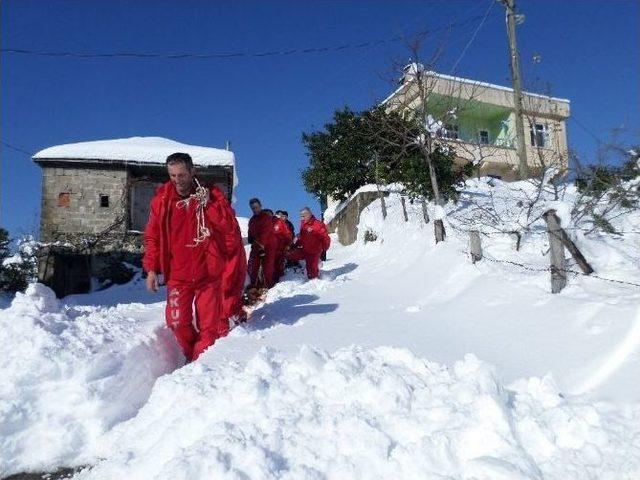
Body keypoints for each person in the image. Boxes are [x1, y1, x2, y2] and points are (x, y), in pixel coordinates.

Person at [143, 152, 246, 362]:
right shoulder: (162, 202)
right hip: (178, 275)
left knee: (210, 327)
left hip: (208, 273)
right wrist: (152, 269)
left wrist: (209, 205)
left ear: (192, 172)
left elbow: (229, 228)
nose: (177, 180)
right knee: (177, 323)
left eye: (181, 175)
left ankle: (200, 364)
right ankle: (192, 357)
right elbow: (152, 236)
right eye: (172, 175)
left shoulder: (213, 196)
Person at [286, 207, 331, 280]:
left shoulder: (317, 224)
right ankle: (294, 269)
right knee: (289, 254)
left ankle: (314, 283)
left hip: (314, 251)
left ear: (309, 214)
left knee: (312, 272)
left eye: (303, 216)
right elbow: (302, 237)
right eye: (301, 216)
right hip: (304, 249)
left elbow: (325, 237)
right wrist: (295, 245)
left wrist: (325, 248)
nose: (302, 218)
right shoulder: (303, 224)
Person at [247, 199, 277, 288]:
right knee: (253, 266)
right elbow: (251, 231)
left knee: (267, 267)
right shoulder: (252, 220)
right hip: (257, 245)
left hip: (268, 246)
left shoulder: (266, 218)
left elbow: (265, 233)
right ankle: (253, 285)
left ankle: (268, 285)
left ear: (260, 206)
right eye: (253, 208)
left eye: (256, 207)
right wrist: (250, 237)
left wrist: (261, 247)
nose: (255, 210)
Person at [273, 211, 294, 281]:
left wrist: (288, 244)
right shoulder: (271, 222)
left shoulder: (286, 224)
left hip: (282, 247)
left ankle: (280, 280)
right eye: (278, 215)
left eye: (281, 215)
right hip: (272, 248)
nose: (280, 217)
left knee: (279, 264)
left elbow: (289, 235)